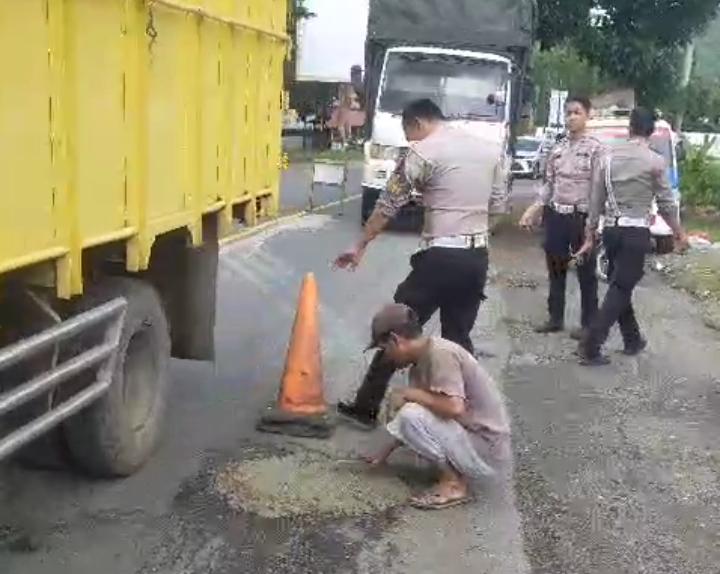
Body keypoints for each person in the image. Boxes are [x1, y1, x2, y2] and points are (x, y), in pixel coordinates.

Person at [333, 98, 507, 429]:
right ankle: (467, 413)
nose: (411, 141)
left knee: (396, 328)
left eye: (409, 134)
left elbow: (388, 203)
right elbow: (498, 206)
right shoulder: (490, 150)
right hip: (475, 257)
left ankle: (365, 406)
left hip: (439, 257)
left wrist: (360, 246)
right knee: (458, 339)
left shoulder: (424, 151)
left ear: (417, 123)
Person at [361, 304, 511, 510]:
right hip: (475, 442)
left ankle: (453, 484)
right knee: (410, 411)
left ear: (396, 340)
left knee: (409, 413)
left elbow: (453, 408)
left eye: (384, 349)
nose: (385, 357)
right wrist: (383, 454)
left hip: (486, 449)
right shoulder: (421, 361)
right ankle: (455, 473)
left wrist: (408, 394)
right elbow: (425, 415)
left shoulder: (440, 354)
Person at [575, 107, 689, 365]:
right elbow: (666, 204)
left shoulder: (607, 158)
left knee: (620, 283)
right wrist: (680, 233)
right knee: (621, 286)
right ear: (650, 131)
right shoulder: (654, 161)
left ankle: (632, 339)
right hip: (636, 232)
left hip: (612, 231)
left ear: (630, 128)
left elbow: (596, 199)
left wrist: (590, 234)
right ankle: (591, 344)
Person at [519, 96, 604, 340]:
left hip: (582, 217)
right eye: (568, 113)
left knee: (586, 273)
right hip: (557, 215)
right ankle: (555, 318)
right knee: (556, 268)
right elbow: (549, 184)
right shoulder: (557, 148)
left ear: (588, 115)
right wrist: (533, 209)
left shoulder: (596, 149)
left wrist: (593, 224)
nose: (571, 117)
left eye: (577, 112)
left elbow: (598, 189)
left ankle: (589, 324)